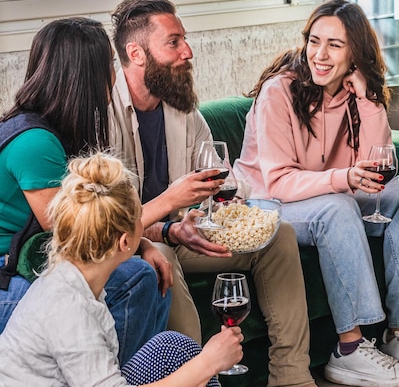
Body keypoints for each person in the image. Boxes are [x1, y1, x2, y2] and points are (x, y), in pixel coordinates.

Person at [233, 0, 399, 387]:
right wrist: (343, 179)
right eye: (314, 41)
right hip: (266, 204)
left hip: (322, 197)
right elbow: (280, 182)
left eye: (334, 45)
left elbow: (378, 169)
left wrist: (369, 102)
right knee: (336, 207)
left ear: (356, 51)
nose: (319, 55)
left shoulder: (355, 92)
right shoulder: (278, 92)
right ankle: (350, 348)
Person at [108, 0, 316, 387]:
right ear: (135, 53)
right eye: (173, 42)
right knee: (160, 259)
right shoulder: (102, 112)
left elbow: (216, 181)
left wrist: (229, 208)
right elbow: (109, 223)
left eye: (184, 39)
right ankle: (201, 381)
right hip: (138, 241)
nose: (188, 51)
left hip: (188, 230)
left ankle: (292, 377)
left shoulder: (183, 108)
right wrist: (168, 229)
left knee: (279, 236)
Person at [0, 17, 173, 365]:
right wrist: (171, 201)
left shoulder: (55, 129)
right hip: (7, 280)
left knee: (149, 271)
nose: (115, 73)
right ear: (85, 75)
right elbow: (77, 233)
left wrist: (143, 243)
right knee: (136, 277)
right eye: (109, 63)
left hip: (29, 267)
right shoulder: (34, 142)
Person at [0, 152, 243, 387]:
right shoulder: (70, 309)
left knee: (174, 347)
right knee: (191, 360)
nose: (144, 224)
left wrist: (201, 369)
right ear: (125, 242)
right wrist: (208, 363)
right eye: (139, 218)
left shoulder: (77, 278)